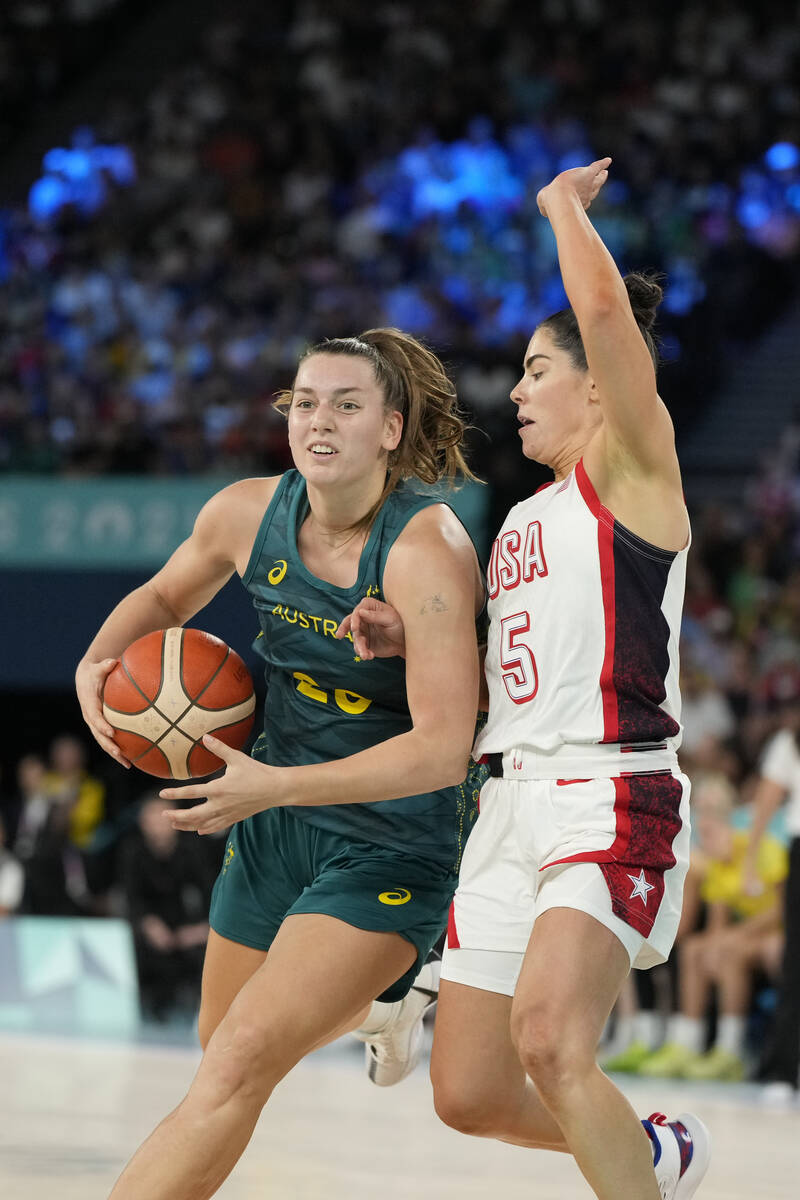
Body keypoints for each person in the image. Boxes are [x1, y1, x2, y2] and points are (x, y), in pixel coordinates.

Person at [341, 159, 710, 1200]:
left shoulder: (632, 471)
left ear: (597, 380)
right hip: (505, 806)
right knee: (466, 1091)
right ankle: (652, 1153)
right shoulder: (519, 520)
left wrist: (557, 209)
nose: (513, 392)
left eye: (532, 371)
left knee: (550, 1039)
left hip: (608, 790)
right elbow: (528, 666)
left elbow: (599, 307)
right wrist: (414, 640)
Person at [75, 326, 486, 1200]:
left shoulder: (426, 550)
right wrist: (97, 660)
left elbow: (443, 752)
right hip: (277, 815)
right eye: (305, 403)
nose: (319, 421)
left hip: (392, 833)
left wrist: (272, 784)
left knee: (238, 1064)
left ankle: (393, 972)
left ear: (390, 428)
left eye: (346, 405)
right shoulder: (242, 512)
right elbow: (159, 597)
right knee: (218, 1042)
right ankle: (384, 1001)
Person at [639, 773, 786, 1081]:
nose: (705, 842)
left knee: (728, 949)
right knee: (695, 948)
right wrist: (715, 945)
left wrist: (733, 938)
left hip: (775, 931)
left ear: (728, 827)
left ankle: (730, 1051)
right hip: (745, 936)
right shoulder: (717, 868)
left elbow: (781, 909)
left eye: (711, 833)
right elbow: (717, 926)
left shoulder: (761, 848)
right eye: (701, 836)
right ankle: (687, 1042)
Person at [743, 700, 800, 1102]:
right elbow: (767, 798)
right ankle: (781, 1069)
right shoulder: (790, 739)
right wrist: (750, 859)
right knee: (795, 960)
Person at [119, 794, 215, 1021]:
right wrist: (148, 924)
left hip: (187, 924)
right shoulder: (132, 852)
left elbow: (209, 892)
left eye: (163, 819)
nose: (158, 826)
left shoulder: (192, 850)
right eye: (152, 819)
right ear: (143, 823)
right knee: (142, 949)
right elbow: (131, 897)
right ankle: (151, 1008)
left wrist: (201, 929)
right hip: (149, 925)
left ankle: (202, 1011)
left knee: (205, 951)